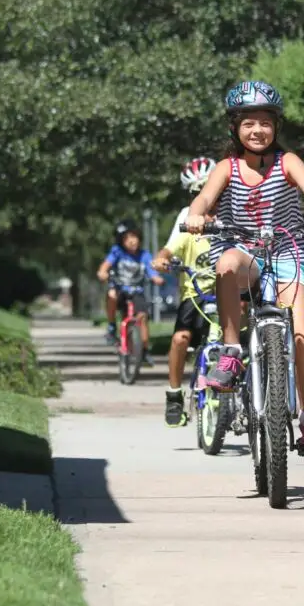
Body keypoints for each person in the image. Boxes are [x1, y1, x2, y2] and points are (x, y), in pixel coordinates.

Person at [183, 80, 304, 465]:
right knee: (225, 264)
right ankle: (231, 352)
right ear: (235, 129)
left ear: (276, 126)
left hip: (287, 253)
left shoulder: (287, 162)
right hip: (244, 253)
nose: (257, 130)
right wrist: (195, 215)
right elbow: (205, 198)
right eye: (248, 123)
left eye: (265, 122)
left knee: (302, 337)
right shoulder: (227, 168)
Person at [150, 157, 218, 427]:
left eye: (208, 187)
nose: (204, 195)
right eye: (196, 191)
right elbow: (170, 248)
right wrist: (162, 259)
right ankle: (174, 394)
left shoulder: (233, 213)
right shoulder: (188, 218)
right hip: (195, 294)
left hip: (229, 292)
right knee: (180, 338)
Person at [97, 221, 164, 365]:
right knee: (111, 295)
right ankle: (111, 326)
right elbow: (105, 266)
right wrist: (103, 272)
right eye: (127, 238)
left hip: (136, 292)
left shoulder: (144, 255)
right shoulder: (117, 252)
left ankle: (144, 350)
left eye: (134, 237)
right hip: (120, 290)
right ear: (121, 241)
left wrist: (156, 278)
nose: (131, 241)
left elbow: (151, 271)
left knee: (142, 316)